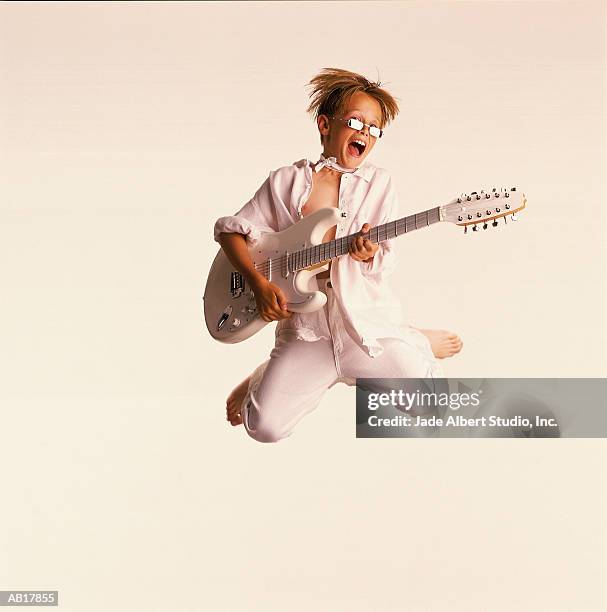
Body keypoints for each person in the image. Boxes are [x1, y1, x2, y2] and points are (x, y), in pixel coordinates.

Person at [213, 67, 462, 443]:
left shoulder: (379, 184)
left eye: (374, 128)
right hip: (307, 333)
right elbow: (231, 230)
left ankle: (409, 337)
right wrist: (258, 285)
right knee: (264, 428)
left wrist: (367, 254)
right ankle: (266, 374)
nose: (365, 133)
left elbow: (386, 261)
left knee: (434, 410)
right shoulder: (286, 181)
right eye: (356, 121)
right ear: (325, 124)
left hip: (361, 325)